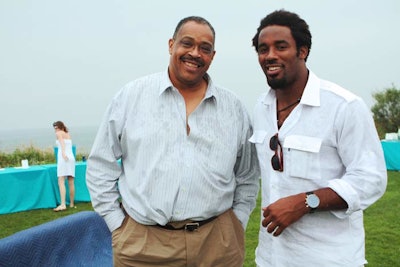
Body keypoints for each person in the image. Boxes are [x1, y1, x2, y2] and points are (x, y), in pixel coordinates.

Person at [86, 16, 260, 267]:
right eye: (186, 43)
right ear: (171, 45)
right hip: (143, 245)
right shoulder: (131, 97)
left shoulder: (234, 108)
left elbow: (247, 175)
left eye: (205, 48)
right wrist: (118, 224)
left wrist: (236, 223)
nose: (195, 53)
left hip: (217, 244)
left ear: (213, 55)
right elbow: (101, 165)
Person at [249, 10, 387, 267]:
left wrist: (305, 202)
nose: (270, 56)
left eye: (281, 47)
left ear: (303, 51)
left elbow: (371, 179)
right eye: (262, 49)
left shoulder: (343, 106)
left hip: (328, 259)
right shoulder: (261, 107)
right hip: (271, 258)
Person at [53, 121, 76, 211]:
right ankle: (71, 203)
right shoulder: (67, 134)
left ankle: (63, 205)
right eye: (54, 128)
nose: (55, 130)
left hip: (64, 158)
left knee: (61, 180)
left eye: (56, 127)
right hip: (71, 158)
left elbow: (62, 143)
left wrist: (63, 152)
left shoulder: (59, 133)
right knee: (71, 181)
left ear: (60, 127)